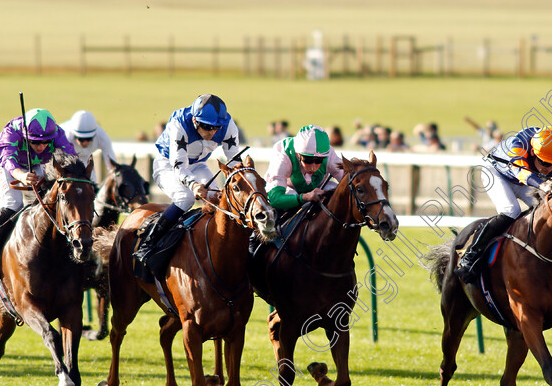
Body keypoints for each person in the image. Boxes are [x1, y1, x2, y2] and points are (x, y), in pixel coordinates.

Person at [133, 94, 239, 271]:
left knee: (218, 197)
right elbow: (179, 165)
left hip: (197, 165)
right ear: (196, 121)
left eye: (216, 127)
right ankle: (148, 243)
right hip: (167, 164)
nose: (212, 132)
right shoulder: (179, 124)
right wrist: (194, 185)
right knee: (186, 198)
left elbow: (234, 162)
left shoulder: (228, 125)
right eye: (207, 127)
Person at [455, 125, 552, 283]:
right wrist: (543, 185)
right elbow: (521, 173)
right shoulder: (518, 145)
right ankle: (471, 255)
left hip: (523, 180)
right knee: (511, 210)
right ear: (533, 152)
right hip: (497, 173)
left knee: (546, 208)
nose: (549, 169)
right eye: (545, 163)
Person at [0, 108, 77, 277]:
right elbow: (8, 161)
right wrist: (21, 176)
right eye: (36, 142)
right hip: (7, 164)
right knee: (14, 204)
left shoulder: (57, 133)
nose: (42, 146)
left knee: (42, 204)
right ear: (26, 136)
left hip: (35, 163)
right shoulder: (11, 133)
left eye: (46, 142)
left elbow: (71, 156)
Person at [264, 125, 344, 212]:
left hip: (317, 188)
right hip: (287, 190)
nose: (313, 167)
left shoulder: (328, 154)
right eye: (308, 160)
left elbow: (350, 181)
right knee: (291, 194)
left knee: (335, 192)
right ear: (298, 154)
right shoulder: (283, 154)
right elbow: (274, 199)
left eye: (319, 160)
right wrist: (304, 197)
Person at [60, 110, 118, 182]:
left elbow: (112, 165)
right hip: (65, 158)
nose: (85, 143)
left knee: (92, 183)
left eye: (89, 139)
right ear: (74, 135)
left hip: (86, 158)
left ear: (94, 135)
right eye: (81, 139)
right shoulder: (65, 137)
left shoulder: (102, 136)